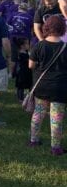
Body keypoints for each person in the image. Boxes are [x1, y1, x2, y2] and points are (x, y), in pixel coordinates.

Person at [27, 15, 67, 155]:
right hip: (60, 87)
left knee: (38, 112)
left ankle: (33, 140)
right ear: (62, 28)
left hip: (42, 85)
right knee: (56, 117)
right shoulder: (65, 46)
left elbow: (31, 65)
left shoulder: (39, 45)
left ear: (46, 27)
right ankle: (55, 147)